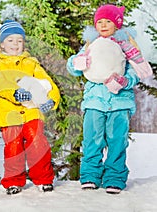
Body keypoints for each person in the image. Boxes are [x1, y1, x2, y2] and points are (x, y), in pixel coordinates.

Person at [66, 4, 152, 194]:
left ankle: (114, 177)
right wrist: (77, 62)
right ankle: (90, 176)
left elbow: (137, 72)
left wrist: (124, 81)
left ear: (117, 25)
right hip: (94, 100)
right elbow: (73, 66)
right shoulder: (91, 45)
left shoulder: (126, 47)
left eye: (108, 21)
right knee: (92, 139)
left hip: (119, 103)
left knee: (116, 141)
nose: (103, 25)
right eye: (100, 22)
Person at [0, 20, 61, 195]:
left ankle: (43, 179)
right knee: (13, 147)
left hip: (31, 111)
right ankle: (13, 181)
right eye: (11, 40)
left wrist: (52, 100)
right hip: (9, 113)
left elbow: (48, 83)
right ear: (2, 44)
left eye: (19, 40)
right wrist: (14, 93)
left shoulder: (32, 63)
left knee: (37, 142)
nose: (15, 44)